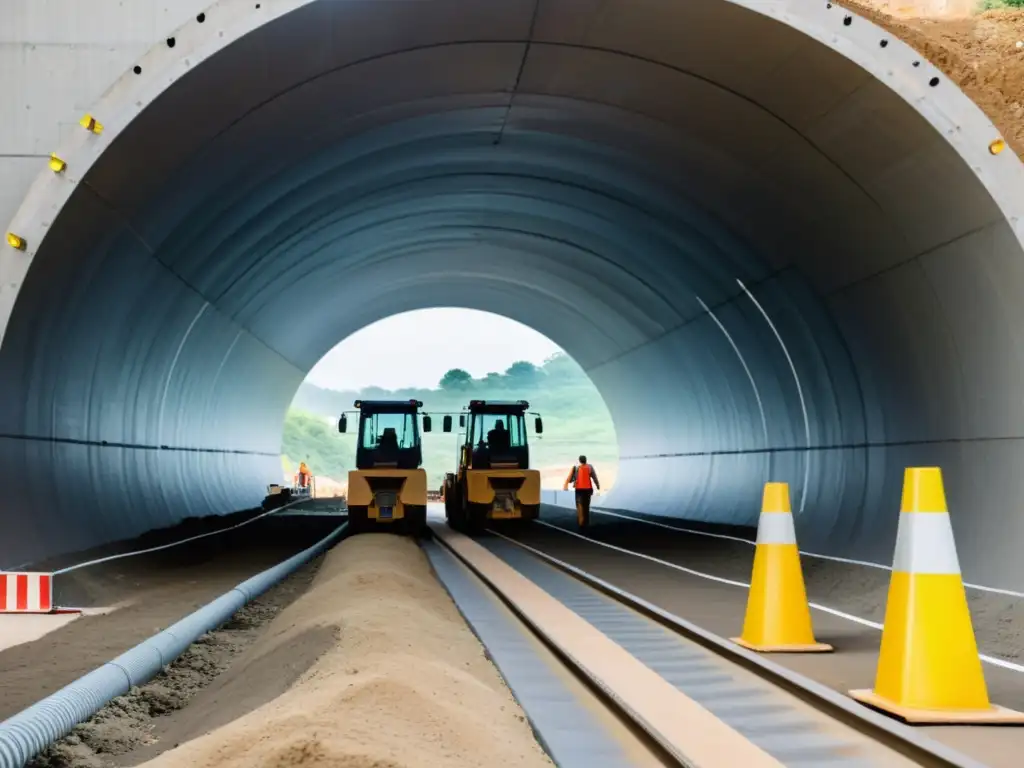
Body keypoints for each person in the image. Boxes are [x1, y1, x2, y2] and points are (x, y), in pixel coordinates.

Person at [564, 455, 600, 528]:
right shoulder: (590, 467)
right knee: (586, 506)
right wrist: (597, 485)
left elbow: (569, 477)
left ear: (579, 460)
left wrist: (566, 485)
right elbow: (594, 477)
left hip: (579, 489)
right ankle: (586, 522)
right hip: (588, 489)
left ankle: (581, 521)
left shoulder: (576, 467)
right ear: (586, 460)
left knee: (579, 505)